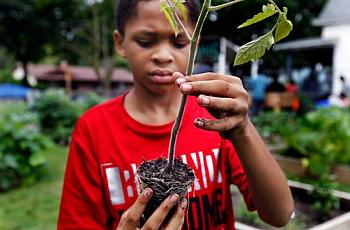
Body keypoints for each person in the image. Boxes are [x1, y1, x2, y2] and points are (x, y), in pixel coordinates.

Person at [57, 0, 294, 229]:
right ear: (120, 43)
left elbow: (279, 214)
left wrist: (242, 129)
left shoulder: (217, 119)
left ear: (195, 44)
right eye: (145, 41)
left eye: (180, 42)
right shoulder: (94, 129)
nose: (163, 55)